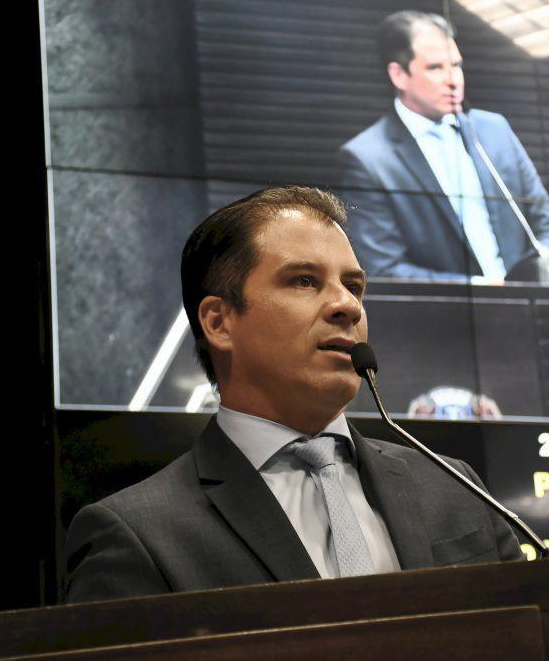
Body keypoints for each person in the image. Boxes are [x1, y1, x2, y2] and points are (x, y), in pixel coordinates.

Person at [63, 186, 522, 603]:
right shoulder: (138, 535)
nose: (347, 306)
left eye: (354, 286)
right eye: (304, 280)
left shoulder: (455, 488)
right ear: (219, 322)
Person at [338, 11, 549, 283]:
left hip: (529, 302)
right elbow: (384, 269)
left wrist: (542, 276)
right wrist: (482, 290)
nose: (454, 80)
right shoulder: (368, 158)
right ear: (399, 75)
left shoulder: (493, 130)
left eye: (456, 65)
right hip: (447, 309)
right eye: (436, 68)